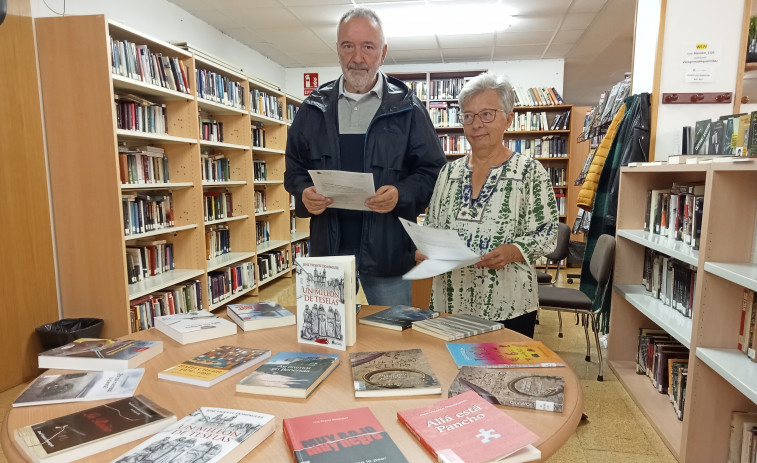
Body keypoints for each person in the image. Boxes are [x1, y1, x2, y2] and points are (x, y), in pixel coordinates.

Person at [284, 7, 446, 306]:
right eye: (348, 46)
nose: (357, 58)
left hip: (389, 252)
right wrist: (303, 191)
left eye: (368, 47)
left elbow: (434, 172)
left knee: (396, 340)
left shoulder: (409, 108)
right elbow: (293, 169)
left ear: (382, 53)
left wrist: (401, 193)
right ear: (338, 50)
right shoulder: (313, 108)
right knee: (325, 337)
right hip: (328, 252)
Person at [416, 73, 559, 338]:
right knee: (453, 372)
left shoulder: (530, 172)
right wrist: (426, 249)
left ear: (509, 118)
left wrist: (514, 250)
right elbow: (432, 225)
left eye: (486, 114)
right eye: (468, 116)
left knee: (503, 376)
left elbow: (547, 232)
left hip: (509, 306)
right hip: (451, 303)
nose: (476, 124)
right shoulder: (448, 173)